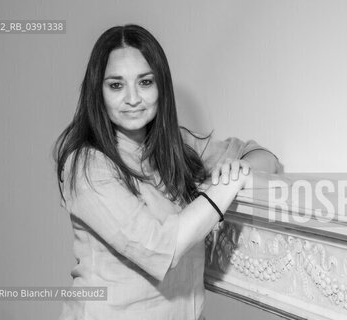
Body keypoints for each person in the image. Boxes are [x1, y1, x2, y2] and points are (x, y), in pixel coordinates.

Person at [54, 24, 280, 320]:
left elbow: (265, 158)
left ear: (161, 86)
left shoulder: (178, 146)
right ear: (98, 92)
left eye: (145, 82)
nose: (133, 98)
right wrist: (226, 186)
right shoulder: (85, 165)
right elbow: (161, 248)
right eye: (116, 85)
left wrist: (242, 168)